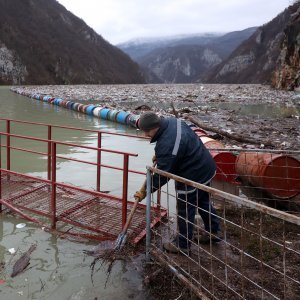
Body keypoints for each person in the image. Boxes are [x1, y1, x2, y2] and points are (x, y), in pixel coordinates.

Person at [134, 111, 221, 254]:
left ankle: (183, 245)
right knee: (203, 202)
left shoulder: (167, 145)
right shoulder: (173, 121)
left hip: (191, 175)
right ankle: (214, 232)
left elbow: (163, 175)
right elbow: (178, 145)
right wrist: (162, 156)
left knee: (185, 210)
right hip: (206, 166)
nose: (145, 135)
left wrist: (146, 190)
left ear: (155, 127)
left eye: (147, 132)